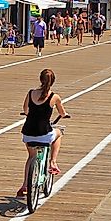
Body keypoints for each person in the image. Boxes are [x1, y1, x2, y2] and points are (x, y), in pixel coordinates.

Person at [19, 69, 70, 197]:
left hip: (28, 132)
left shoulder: (31, 93)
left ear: (40, 79)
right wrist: (65, 115)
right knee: (59, 133)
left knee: (31, 157)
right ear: (52, 82)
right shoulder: (54, 97)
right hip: (44, 133)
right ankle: (53, 161)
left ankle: (25, 185)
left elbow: (25, 110)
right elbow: (62, 113)